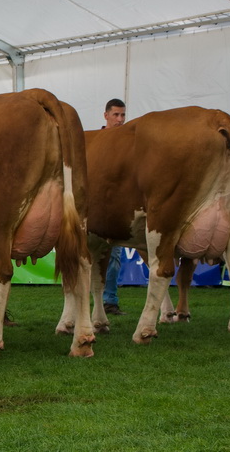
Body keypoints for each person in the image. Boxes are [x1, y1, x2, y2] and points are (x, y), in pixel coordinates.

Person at [100, 99, 127, 315]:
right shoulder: (96, 140)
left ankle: (109, 301)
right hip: (97, 207)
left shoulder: (127, 142)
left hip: (119, 206)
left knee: (115, 256)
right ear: (106, 115)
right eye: (116, 115)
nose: (119, 119)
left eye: (122, 115)